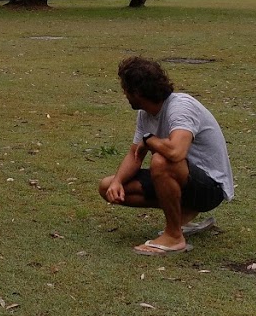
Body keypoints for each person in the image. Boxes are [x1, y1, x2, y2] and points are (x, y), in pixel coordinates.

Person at [98, 55, 234, 256]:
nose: (124, 93)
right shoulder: (145, 114)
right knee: (107, 187)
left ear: (136, 91)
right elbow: (135, 154)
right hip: (180, 179)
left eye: (125, 88)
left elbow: (176, 152)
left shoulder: (180, 107)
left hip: (209, 187)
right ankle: (182, 214)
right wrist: (117, 181)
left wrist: (150, 140)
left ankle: (174, 237)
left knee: (161, 160)